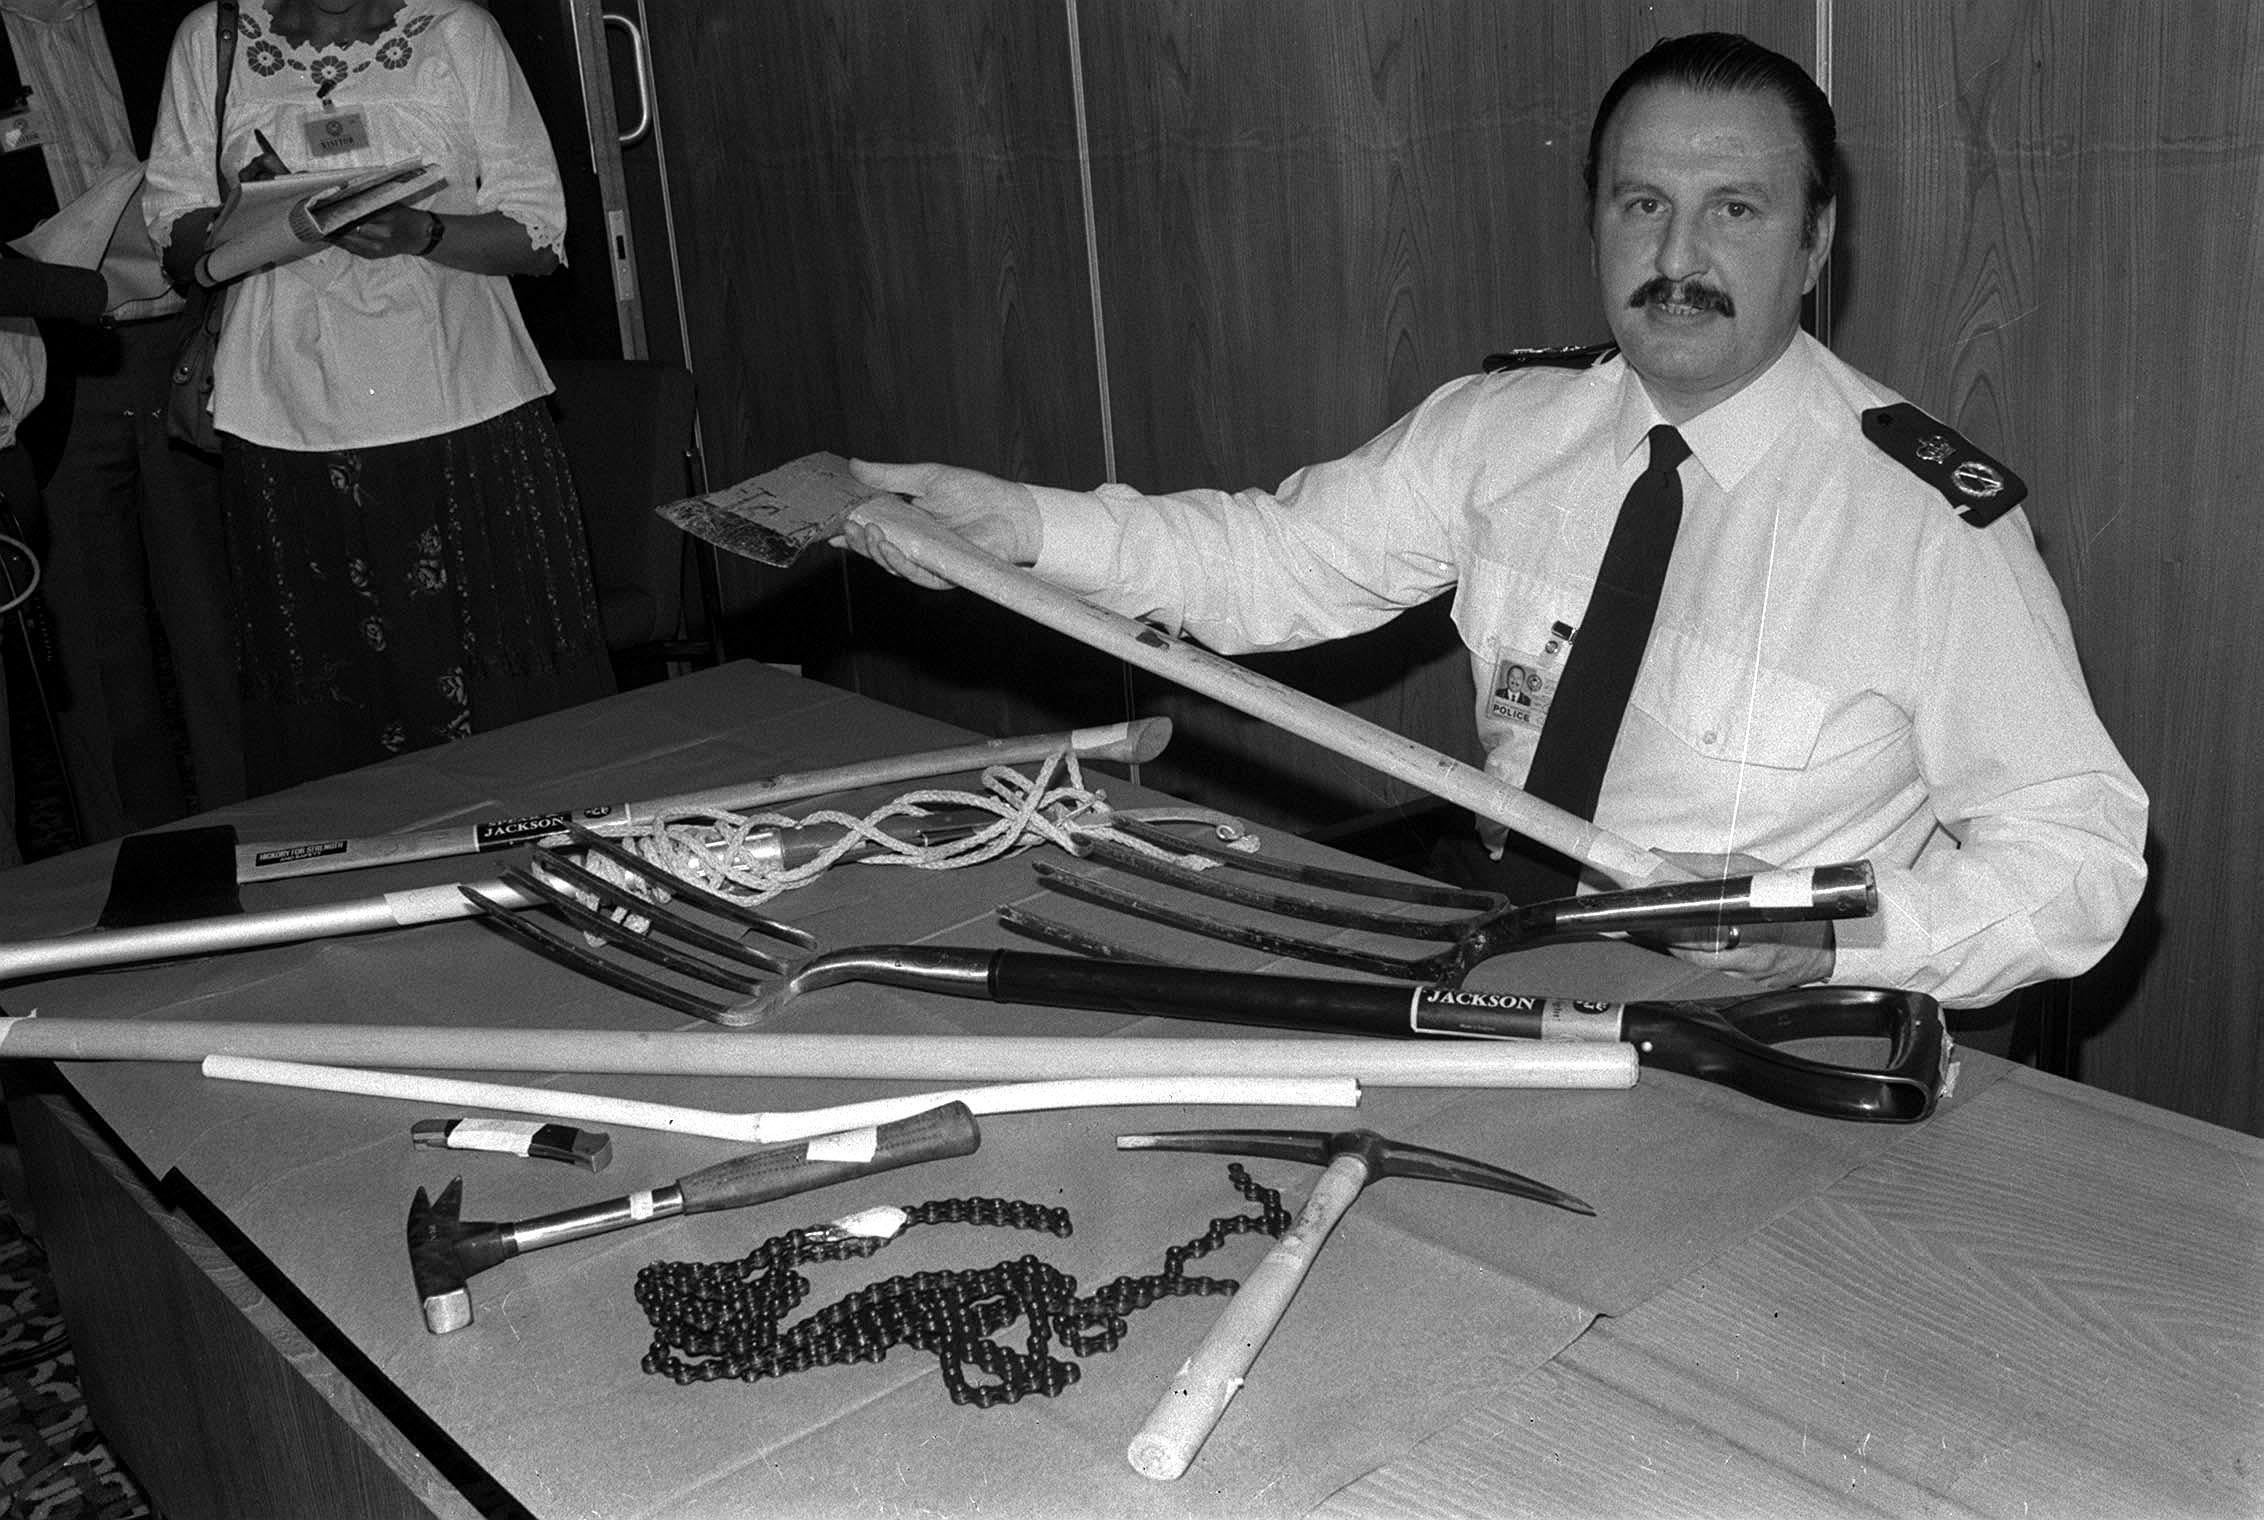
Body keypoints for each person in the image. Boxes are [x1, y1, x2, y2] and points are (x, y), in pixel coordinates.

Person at [840, 32, 2148, 1012]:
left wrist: (1847, 931)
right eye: (1642, 204)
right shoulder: (1503, 428)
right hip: (1496, 974)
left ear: (1816, 245)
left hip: (1762, 1029)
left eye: (1733, 211)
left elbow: (2079, 854)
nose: (1676, 255)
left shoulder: (1927, 526)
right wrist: (1010, 526)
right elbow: (1270, 562)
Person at [142, 0, 612, 796]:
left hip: (463, 406)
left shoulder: (456, 30)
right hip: (285, 412)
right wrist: (262, 226)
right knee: (336, 707)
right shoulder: (214, 36)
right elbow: (173, 227)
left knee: (502, 705)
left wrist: (418, 233)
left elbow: (539, 235)